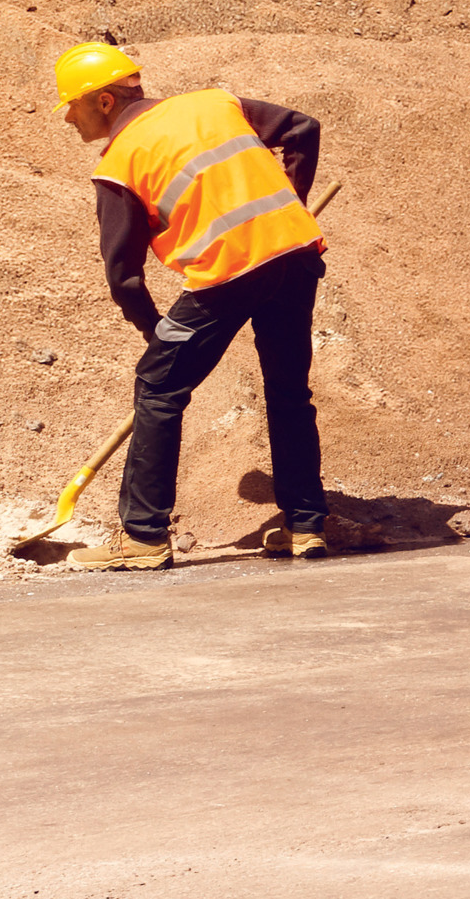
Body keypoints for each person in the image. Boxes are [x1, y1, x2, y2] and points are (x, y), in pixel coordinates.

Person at [55, 41, 333, 570]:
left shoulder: (119, 164)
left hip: (228, 273)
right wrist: (290, 205)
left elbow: (123, 276)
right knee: (288, 389)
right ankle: (304, 525)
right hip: (295, 255)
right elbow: (303, 128)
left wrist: (154, 330)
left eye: (73, 104)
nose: (68, 116)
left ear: (105, 102)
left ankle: (142, 537)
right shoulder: (214, 102)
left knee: (159, 386)